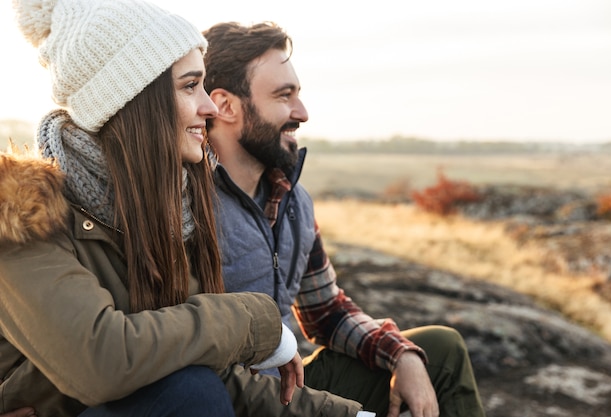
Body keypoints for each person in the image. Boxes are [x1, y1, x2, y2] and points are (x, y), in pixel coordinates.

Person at [0, 1, 307, 416]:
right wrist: (253, 322)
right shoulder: (24, 217)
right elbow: (102, 361)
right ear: (133, 98)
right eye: (189, 86)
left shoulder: (164, 210)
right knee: (191, 393)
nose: (209, 107)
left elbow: (200, 368)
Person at [203, 21, 487, 417]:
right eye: (284, 96)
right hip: (223, 400)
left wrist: (400, 355)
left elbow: (326, 313)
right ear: (226, 105)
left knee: (440, 351)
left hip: (287, 386)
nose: (301, 113)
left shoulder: (293, 200)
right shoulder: (185, 204)